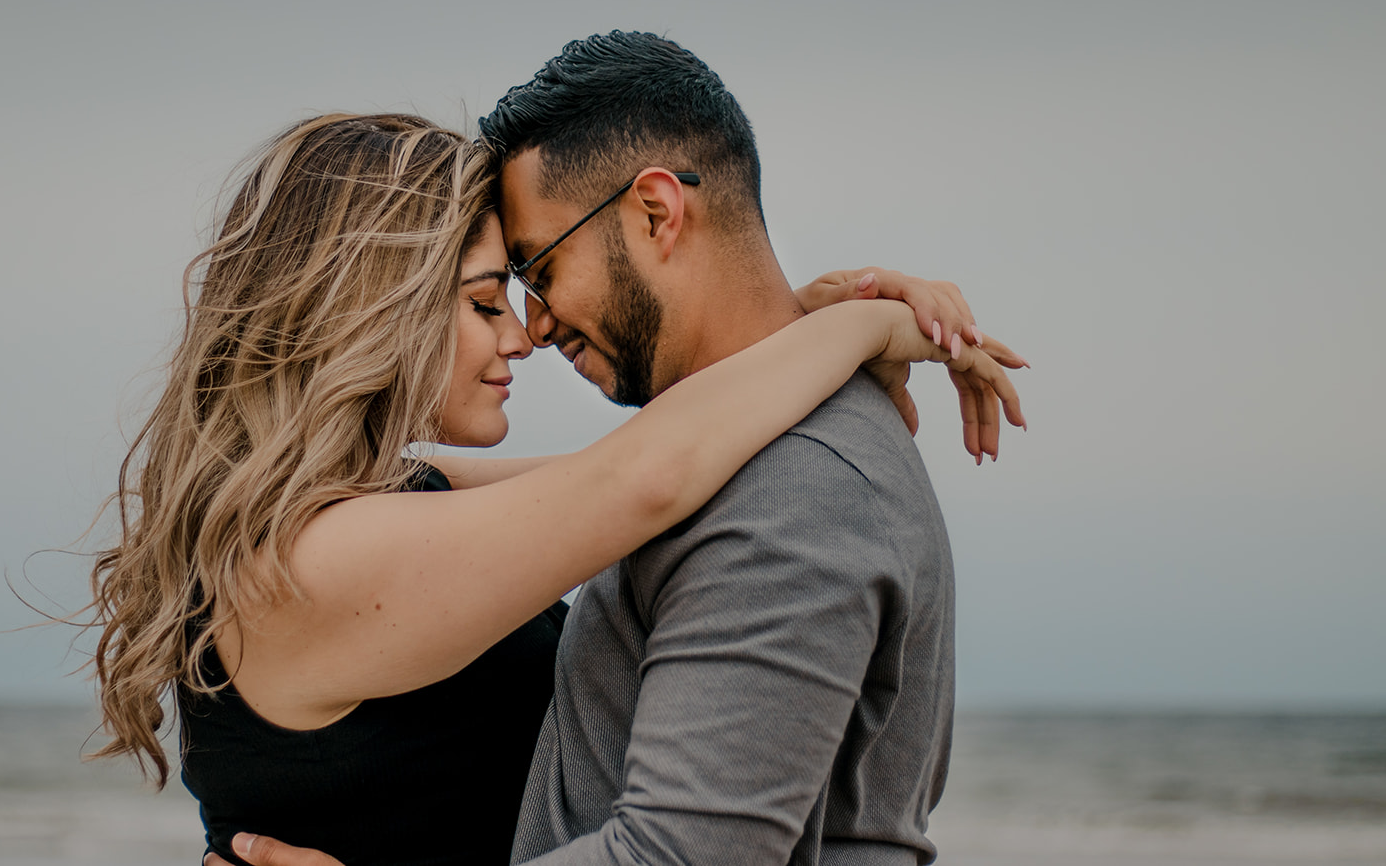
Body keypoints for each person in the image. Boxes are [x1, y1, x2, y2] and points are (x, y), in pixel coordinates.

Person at [93, 112, 1021, 866]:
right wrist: (866, 326)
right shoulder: (311, 562)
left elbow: (662, 468)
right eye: (486, 301)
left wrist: (793, 327)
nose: (522, 336)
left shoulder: (352, 513)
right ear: (372, 310)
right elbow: (642, 477)